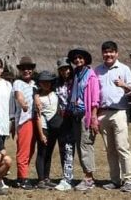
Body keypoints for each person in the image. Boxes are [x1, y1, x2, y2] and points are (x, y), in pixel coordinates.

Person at [94, 41, 131, 193]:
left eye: (111, 52)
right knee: (110, 149)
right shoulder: (97, 70)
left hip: (119, 112)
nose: (108, 55)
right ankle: (115, 180)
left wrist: (123, 85)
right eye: (105, 52)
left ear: (116, 53)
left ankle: (129, 180)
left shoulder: (124, 69)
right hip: (103, 113)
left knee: (122, 147)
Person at [67, 48, 100, 192]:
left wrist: (93, 117)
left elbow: (94, 99)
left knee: (86, 145)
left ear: (85, 59)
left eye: (80, 58)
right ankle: (86, 175)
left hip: (85, 115)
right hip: (75, 114)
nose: (78, 60)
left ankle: (89, 178)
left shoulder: (91, 76)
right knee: (80, 146)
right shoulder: (76, 75)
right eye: (75, 58)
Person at [33, 70, 61, 189]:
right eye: (43, 82)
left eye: (48, 82)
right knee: (41, 153)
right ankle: (40, 180)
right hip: (44, 127)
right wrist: (41, 134)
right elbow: (38, 117)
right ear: (39, 83)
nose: (46, 84)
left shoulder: (55, 93)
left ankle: (47, 178)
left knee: (49, 153)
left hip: (54, 127)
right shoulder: (38, 97)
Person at [12, 56, 36, 189]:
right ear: (20, 71)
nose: (27, 71)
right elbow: (18, 95)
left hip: (35, 120)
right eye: (24, 69)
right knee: (23, 151)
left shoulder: (34, 84)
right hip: (24, 120)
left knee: (31, 150)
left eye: (29, 68)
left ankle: (21, 177)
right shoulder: (18, 83)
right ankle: (23, 178)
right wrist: (23, 104)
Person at [54, 57, 75, 191]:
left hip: (74, 118)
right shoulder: (57, 83)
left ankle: (70, 178)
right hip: (61, 119)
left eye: (67, 68)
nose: (65, 71)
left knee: (72, 148)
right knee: (64, 148)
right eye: (62, 69)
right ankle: (67, 177)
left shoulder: (75, 81)